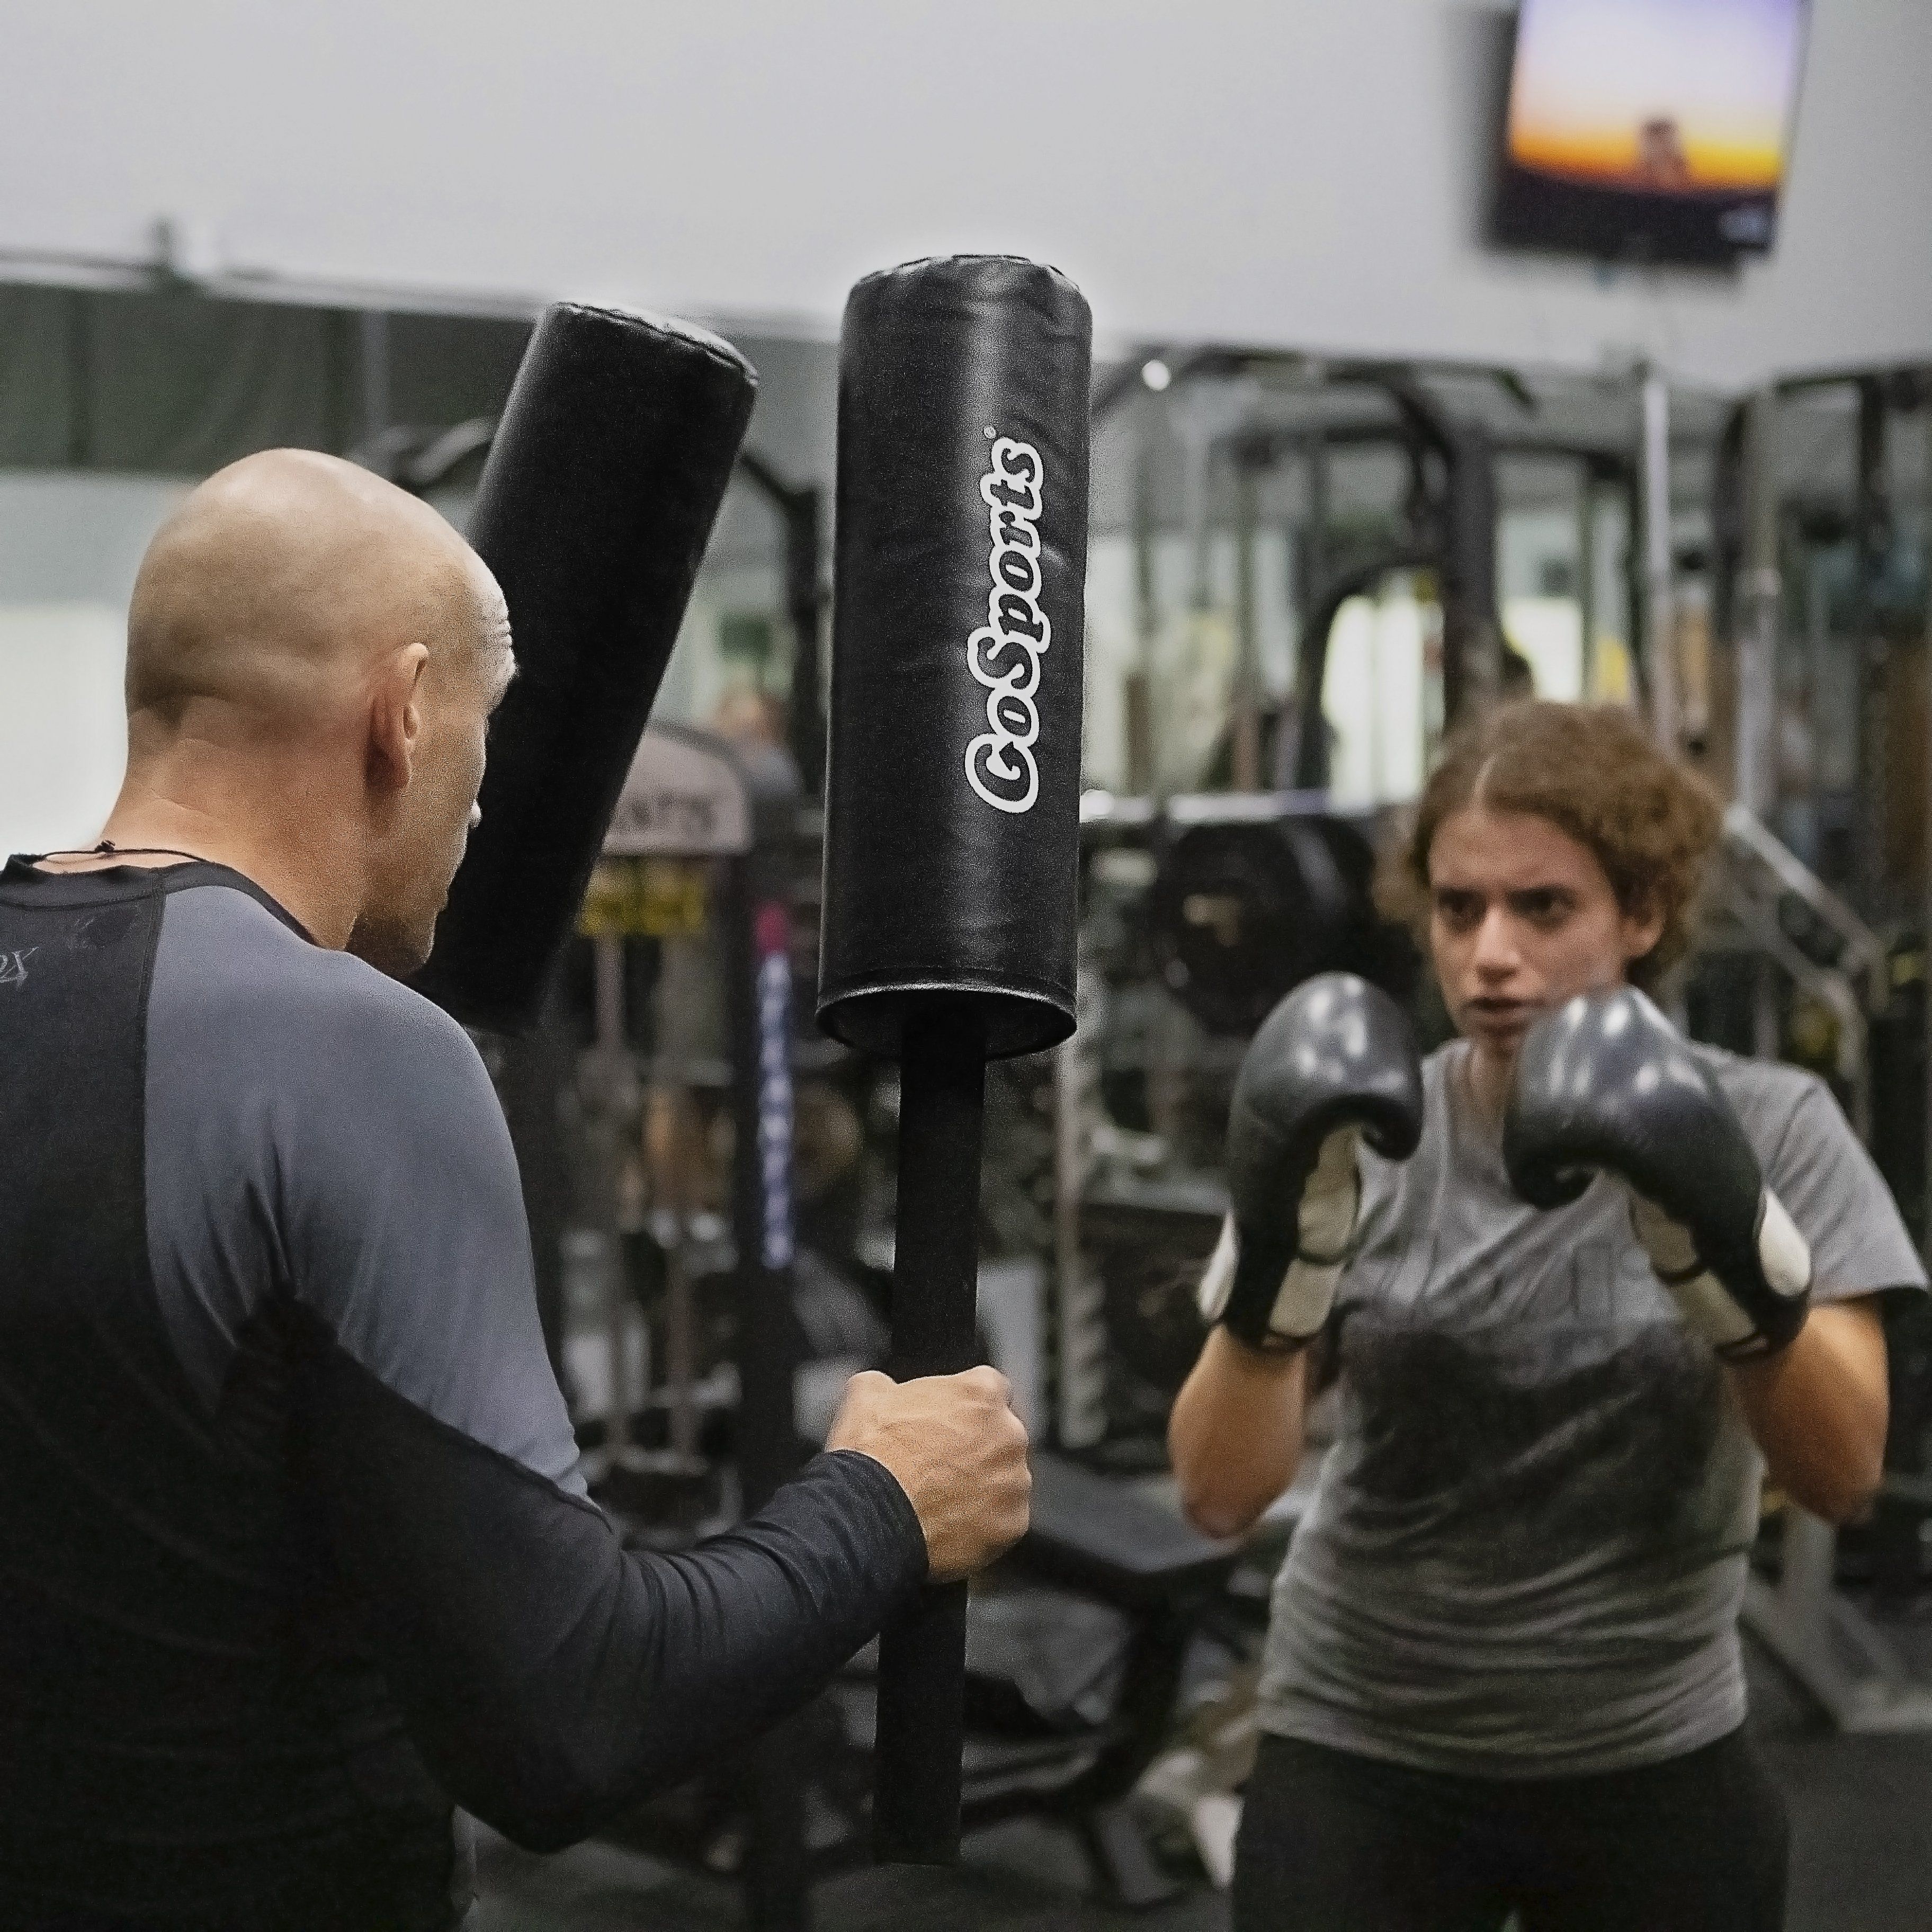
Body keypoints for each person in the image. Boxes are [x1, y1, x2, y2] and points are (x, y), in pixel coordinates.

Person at [0, 449, 1031, 1931]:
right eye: (480, 749)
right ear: (403, 711)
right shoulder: (348, 1054)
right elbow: (568, 1721)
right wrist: (885, 1505)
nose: (484, 814)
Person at [1170, 699, 1922, 1932]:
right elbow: (1215, 1492)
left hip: (1650, 1738)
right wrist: (1281, 1265)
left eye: (1544, 908)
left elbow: (1842, 1476)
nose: (1490, 955)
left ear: (1643, 913)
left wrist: (1724, 1243)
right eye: (1459, 909)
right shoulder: (1361, 1132)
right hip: (1364, 1735)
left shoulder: (1773, 1127)